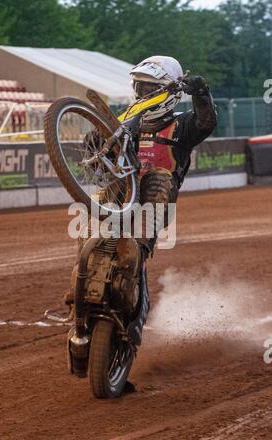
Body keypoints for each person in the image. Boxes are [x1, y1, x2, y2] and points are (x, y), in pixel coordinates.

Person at [64, 55, 217, 305]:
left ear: (170, 91)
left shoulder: (182, 124)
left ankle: (135, 253)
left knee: (159, 178)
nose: (144, 92)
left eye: (151, 88)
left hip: (156, 197)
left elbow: (207, 122)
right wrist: (95, 148)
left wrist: (200, 92)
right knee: (94, 205)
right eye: (140, 86)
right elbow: (95, 149)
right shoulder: (124, 122)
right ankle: (80, 277)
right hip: (124, 191)